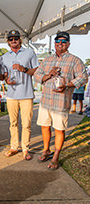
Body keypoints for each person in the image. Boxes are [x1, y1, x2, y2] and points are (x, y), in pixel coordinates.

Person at [34, 31, 88, 170]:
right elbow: (37, 76)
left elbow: (83, 77)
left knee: (59, 129)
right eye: (58, 42)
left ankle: (56, 156)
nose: (60, 44)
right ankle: (46, 150)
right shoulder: (47, 60)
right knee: (45, 126)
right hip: (46, 101)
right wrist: (48, 74)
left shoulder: (75, 60)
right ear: (54, 43)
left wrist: (68, 85)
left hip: (61, 102)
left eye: (64, 42)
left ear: (68, 44)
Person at [2, 30, 39, 160]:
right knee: (13, 123)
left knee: (26, 124)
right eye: (11, 39)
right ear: (8, 41)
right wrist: (6, 80)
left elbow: (36, 70)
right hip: (11, 95)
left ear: (20, 40)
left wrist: (23, 69)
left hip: (26, 94)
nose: (13, 41)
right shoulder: (5, 56)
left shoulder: (29, 52)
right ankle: (14, 147)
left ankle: (25, 149)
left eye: (16, 38)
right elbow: (4, 75)